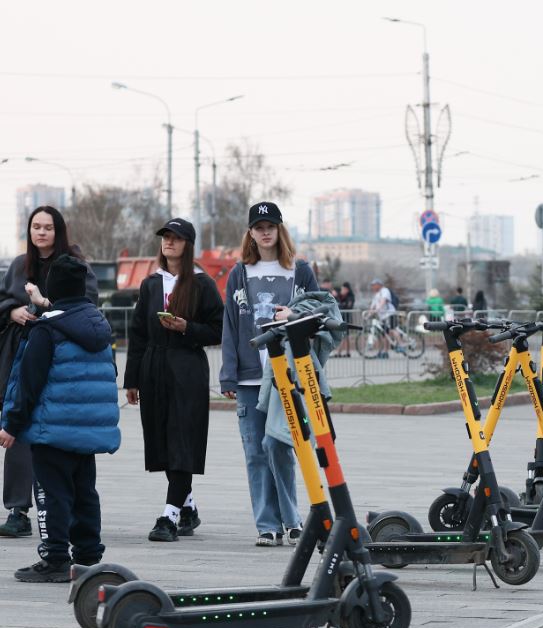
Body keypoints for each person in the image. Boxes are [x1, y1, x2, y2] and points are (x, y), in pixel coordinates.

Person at [0, 255, 119, 581]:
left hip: (52, 430)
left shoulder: (46, 329)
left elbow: (29, 381)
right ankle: (88, 555)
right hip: (86, 431)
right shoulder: (97, 324)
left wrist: (12, 424)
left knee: (52, 494)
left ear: (54, 288)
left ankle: (54, 559)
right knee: (85, 493)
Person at [220, 202, 319, 546]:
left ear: (280, 230)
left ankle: (292, 520)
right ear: (250, 232)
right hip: (249, 377)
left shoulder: (300, 271)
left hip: (287, 375)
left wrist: (293, 313)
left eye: (270, 226)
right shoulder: (239, 273)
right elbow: (230, 325)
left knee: (279, 446)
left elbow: (317, 312)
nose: (265, 232)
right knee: (255, 452)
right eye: (258, 226)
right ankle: (267, 524)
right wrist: (228, 374)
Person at [0, 206, 97, 539]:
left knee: (60, 433)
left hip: (61, 358)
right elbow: (1, 302)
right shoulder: (17, 265)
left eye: (48, 227)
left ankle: (63, 507)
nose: (40, 233)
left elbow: (88, 304)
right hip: (19, 354)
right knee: (17, 424)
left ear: (59, 231)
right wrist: (13, 312)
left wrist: (44, 306)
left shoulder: (74, 264)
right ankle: (17, 509)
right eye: (35, 227)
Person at [125, 218, 224, 542]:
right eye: (166, 237)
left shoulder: (201, 283)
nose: (169, 242)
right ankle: (188, 507)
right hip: (154, 367)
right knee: (164, 440)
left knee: (182, 439)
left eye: (176, 238)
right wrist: (132, 379)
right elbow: (137, 332)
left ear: (188, 243)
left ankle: (168, 516)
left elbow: (219, 328)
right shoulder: (151, 283)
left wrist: (187, 329)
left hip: (186, 369)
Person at [367, 278, 398, 356]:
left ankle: (401, 344)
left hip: (389, 313)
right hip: (382, 316)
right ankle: (385, 351)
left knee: (392, 329)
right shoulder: (376, 294)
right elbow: (372, 306)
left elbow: (383, 301)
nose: (373, 287)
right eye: (372, 285)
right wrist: (368, 314)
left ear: (379, 285)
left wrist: (377, 309)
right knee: (384, 334)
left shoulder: (385, 291)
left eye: (374, 285)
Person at [337, 281, 355, 356]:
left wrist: (341, 305)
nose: (342, 291)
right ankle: (347, 352)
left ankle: (340, 352)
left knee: (345, 335)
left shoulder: (350, 297)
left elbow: (348, 306)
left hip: (347, 318)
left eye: (343, 289)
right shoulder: (342, 296)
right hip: (343, 317)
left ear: (347, 289)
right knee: (345, 336)